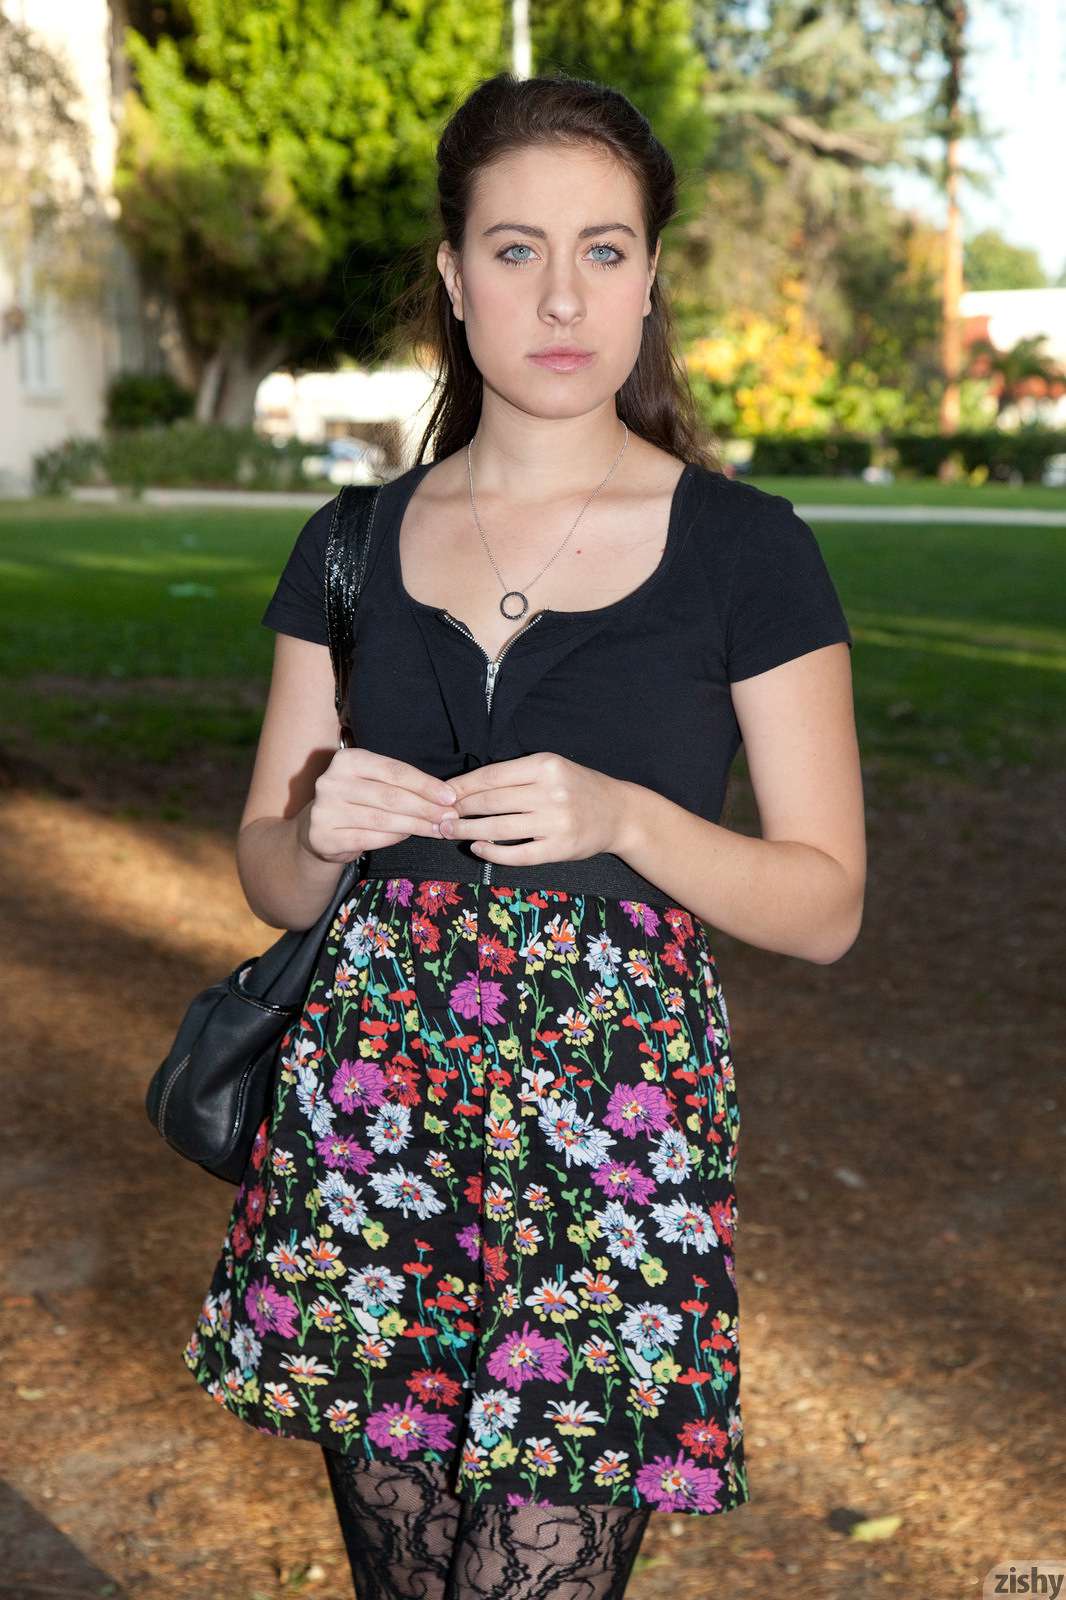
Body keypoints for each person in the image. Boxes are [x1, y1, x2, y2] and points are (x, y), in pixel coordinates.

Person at [181, 70, 865, 1600]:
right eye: (515, 249)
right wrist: (319, 827)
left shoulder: (745, 550)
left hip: (611, 1152)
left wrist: (624, 818)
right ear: (452, 275)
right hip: (371, 1128)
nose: (562, 295)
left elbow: (824, 906)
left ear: (650, 278)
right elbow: (270, 877)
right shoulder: (348, 544)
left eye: (602, 250)